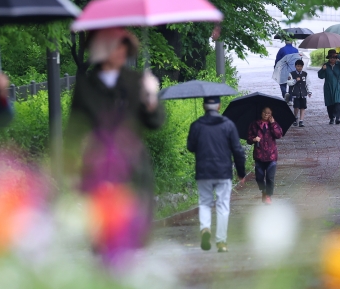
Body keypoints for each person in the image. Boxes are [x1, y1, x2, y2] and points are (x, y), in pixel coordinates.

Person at [64, 27, 165, 251]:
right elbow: (74, 129)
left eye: (122, 45)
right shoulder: (85, 85)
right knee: (103, 236)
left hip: (133, 169)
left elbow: (155, 122)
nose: (119, 51)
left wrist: (151, 99)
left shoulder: (136, 80)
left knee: (134, 236)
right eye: (113, 45)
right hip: (99, 168)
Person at [187, 96, 246, 253]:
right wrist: (241, 172)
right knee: (222, 205)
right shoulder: (228, 125)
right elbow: (238, 150)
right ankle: (221, 242)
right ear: (219, 106)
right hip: (223, 171)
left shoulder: (197, 125)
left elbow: (190, 147)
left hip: (204, 171)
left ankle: (205, 229)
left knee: (205, 202)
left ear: (203, 106)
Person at [246, 107, 283, 205]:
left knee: (270, 177)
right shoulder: (255, 124)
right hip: (259, 155)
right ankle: (263, 190)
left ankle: (268, 195)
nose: (266, 115)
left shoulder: (274, 124)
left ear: (271, 114)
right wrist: (254, 139)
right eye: (264, 113)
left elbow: (279, 135)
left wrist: (273, 124)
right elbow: (248, 138)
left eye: (268, 113)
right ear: (261, 113)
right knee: (259, 177)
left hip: (271, 156)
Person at [318, 50, 340, 125]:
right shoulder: (326, 65)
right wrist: (323, 69)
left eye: (334, 57)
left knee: (337, 102)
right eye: (331, 57)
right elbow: (320, 76)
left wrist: (339, 56)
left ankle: (337, 118)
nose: (332, 59)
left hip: (337, 86)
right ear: (328, 58)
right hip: (328, 87)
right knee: (330, 103)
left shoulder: (339, 65)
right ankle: (331, 118)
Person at [286, 59, 312, 127]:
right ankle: (295, 117)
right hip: (295, 93)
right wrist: (295, 80)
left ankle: (301, 120)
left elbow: (308, 83)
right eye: (298, 66)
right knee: (296, 107)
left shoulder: (305, 74)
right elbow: (289, 82)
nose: (299, 68)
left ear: (302, 66)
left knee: (303, 107)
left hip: (303, 93)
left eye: (300, 66)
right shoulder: (291, 74)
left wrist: (309, 91)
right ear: (295, 66)